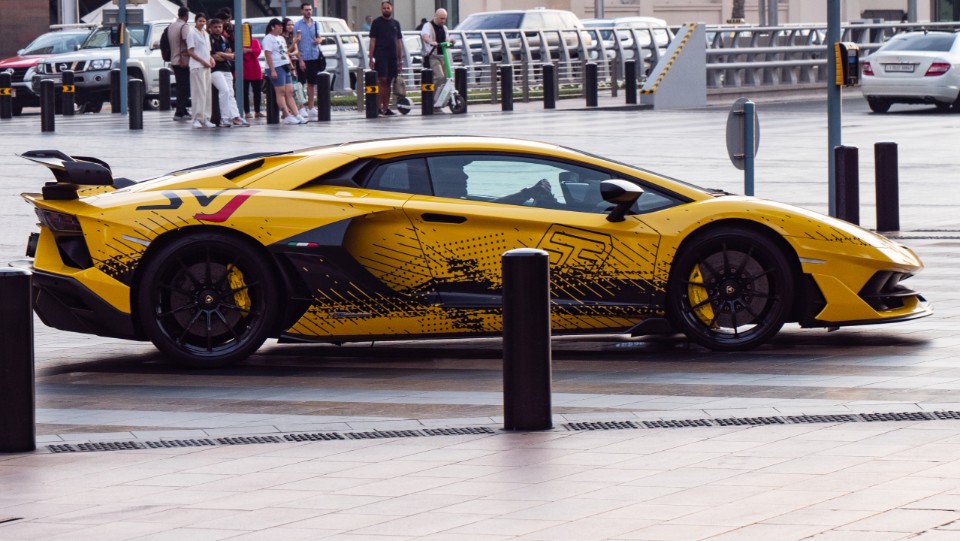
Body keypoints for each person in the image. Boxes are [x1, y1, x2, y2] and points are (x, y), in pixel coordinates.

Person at [262, 18, 304, 124]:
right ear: (272, 27)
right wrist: (272, 70)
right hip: (276, 66)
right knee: (280, 91)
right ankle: (286, 114)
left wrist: (292, 67)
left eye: (282, 26)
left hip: (285, 65)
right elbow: (268, 55)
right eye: (279, 26)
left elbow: (285, 53)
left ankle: (296, 114)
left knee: (289, 91)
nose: (281, 28)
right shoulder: (268, 38)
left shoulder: (281, 38)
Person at [208, 18, 248, 127]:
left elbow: (232, 56)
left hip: (226, 68)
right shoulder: (209, 39)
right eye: (215, 27)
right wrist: (224, 55)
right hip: (214, 70)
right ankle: (224, 118)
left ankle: (235, 116)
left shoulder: (224, 39)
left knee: (230, 92)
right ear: (210, 28)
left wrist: (222, 54)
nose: (218, 29)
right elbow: (213, 56)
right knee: (224, 90)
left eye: (220, 27)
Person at [368, 1, 403, 116]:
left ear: (391, 9)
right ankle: (378, 107)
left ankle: (386, 108)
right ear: (381, 9)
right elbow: (372, 40)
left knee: (389, 81)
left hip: (392, 56)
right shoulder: (376, 23)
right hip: (380, 55)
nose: (386, 10)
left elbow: (399, 42)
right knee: (382, 80)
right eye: (384, 8)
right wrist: (371, 57)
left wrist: (400, 60)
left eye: (388, 8)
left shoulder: (396, 23)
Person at [294, 2, 324, 121]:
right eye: (306, 10)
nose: (308, 12)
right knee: (301, 83)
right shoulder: (298, 25)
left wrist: (319, 40)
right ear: (302, 11)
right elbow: (295, 43)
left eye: (310, 10)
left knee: (312, 83)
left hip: (314, 56)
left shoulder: (316, 24)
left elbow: (319, 37)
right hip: (303, 56)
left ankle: (311, 107)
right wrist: (300, 60)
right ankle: (301, 107)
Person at [186, 13, 216, 128]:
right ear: (195, 21)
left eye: (204, 21)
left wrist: (211, 59)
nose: (202, 23)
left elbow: (207, 51)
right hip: (197, 66)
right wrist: (203, 61)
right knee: (199, 92)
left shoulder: (206, 34)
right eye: (200, 21)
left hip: (206, 66)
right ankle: (196, 118)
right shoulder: (192, 33)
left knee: (207, 92)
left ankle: (206, 118)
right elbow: (190, 51)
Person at [420, 8, 455, 88]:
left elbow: (446, 41)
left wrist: (451, 42)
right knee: (439, 77)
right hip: (433, 56)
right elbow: (425, 36)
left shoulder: (444, 28)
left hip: (444, 56)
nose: (443, 21)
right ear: (435, 16)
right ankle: (434, 94)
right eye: (441, 18)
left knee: (447, 78)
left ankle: (443, 94)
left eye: (444, 19)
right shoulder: (428, 26)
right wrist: (431, 42)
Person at [167, 7, 192, 121]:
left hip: (174, 59)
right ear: (186, 15)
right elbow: (188, 42)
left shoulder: (171, 26)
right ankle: (180, 111)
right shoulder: (184, 26)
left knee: (180, 86)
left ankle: (182, 110)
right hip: (183, 61)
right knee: (185, 87)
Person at [242, 36, 263, 118]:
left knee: (257, 91)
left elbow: (258, 51)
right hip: (243, 69)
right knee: (244, 92)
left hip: (255, 68)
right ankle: (247, 112)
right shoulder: (238, 41)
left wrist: (249, 50)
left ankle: (257, 111)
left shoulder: (254, 40)